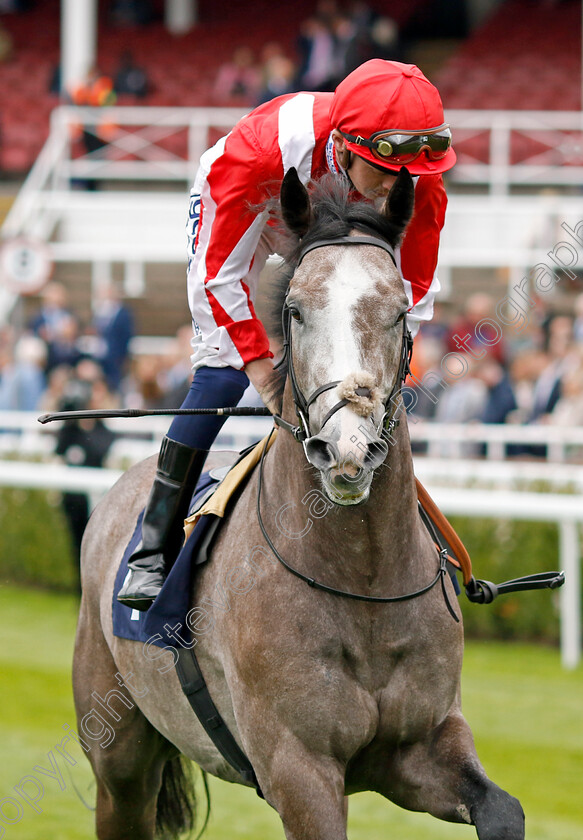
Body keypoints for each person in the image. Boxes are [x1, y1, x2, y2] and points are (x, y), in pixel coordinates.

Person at [117, 58, 457, 610]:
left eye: (410, 177)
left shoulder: (418, 178)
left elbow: (414, 289)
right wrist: (262, 373)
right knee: (224, 372)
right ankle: (152, 549)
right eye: (385, 173)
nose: (396, 189)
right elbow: (218, 277)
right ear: (346, 148)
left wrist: (381, 378)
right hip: (259, 204)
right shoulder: (259, 151)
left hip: (336, 224)